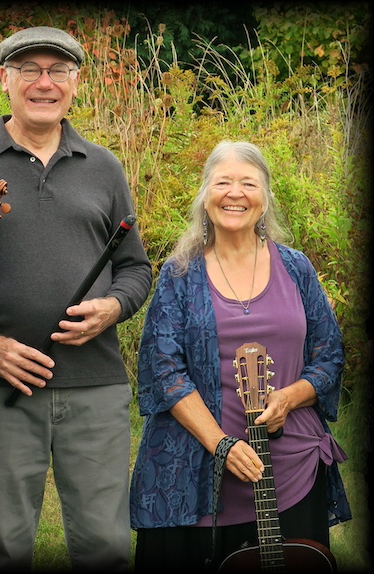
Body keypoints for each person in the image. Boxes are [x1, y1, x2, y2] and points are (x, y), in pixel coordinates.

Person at [0, 26, 152, 572]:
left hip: (96, 386)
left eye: (58, 72)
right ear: (5, 79)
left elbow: (134, 269)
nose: (44, 83)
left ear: (76, 83)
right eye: (29, 70)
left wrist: (113, 308)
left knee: (105, 544)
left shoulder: (103, 167)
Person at [129, 141, 352, 571]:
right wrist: (222, 445)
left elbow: (329, 355)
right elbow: (164, 371)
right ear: (205, 195)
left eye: (248, 183)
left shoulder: (296, 268)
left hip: (291, 470)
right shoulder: (178, 274)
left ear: (265, 198)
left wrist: (289, 398)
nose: (235, 193)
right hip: (196, 468)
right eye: (223, 182)